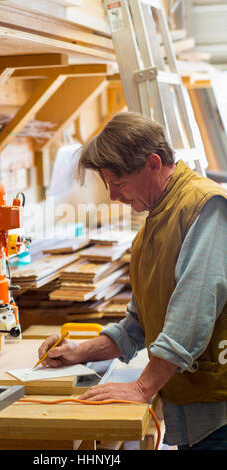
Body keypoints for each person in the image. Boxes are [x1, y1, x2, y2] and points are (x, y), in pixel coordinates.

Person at [37, 112, 227, 450]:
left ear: (153, 163)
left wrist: (141, 388)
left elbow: (192, 313)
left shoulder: (205, 206)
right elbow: (138, 325)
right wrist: (80, 352)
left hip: (219, 408)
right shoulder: (155, 221)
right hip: (191, 400)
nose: (112, 196)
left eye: (118, 182)